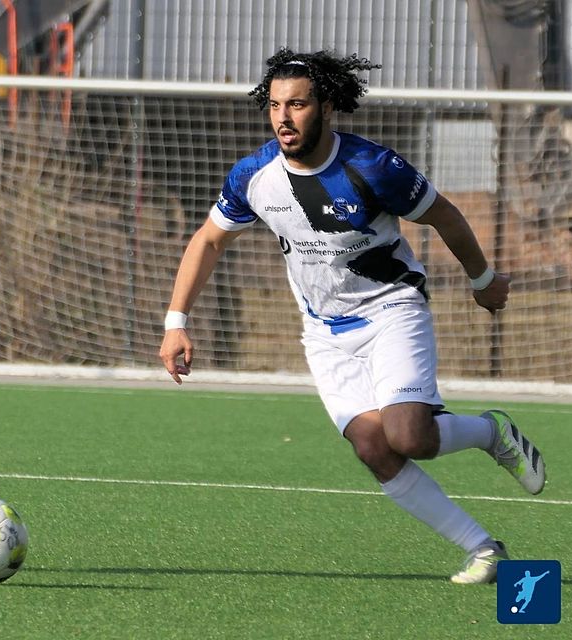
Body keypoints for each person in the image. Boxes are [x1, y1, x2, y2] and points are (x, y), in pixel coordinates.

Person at [158, 48, 546, 584]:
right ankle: (482, 548)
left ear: (327, 106)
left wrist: (483, 282)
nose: (283, 118)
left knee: (408, 435)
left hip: (391, 310)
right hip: (322, 331)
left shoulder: (373, 168)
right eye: (274, 106)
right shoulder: (254, 176)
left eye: (296, 105)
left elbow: (446, 216)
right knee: (372, 445)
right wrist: (176, 322)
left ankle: (490, 432)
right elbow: (208, 241)